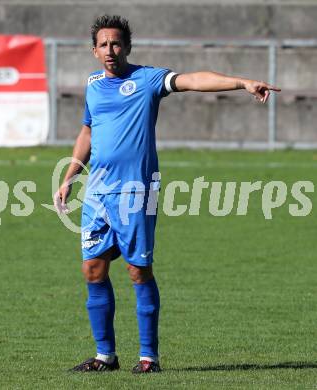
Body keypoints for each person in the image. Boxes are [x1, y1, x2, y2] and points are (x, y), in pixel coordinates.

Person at [54, 14, 281, 374]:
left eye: (116, 43)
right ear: (94, 51)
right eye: (103, 45)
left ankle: (149, 358)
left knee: (137, 271)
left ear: (127, 46)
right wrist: (70, 176)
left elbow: (193, 80)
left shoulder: (147, 79)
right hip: (97, 194)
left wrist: (242, 82)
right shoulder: (93, 84)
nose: (110, 50)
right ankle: (105, 357)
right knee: (92, 270)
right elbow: (87, 131)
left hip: (135, 193)